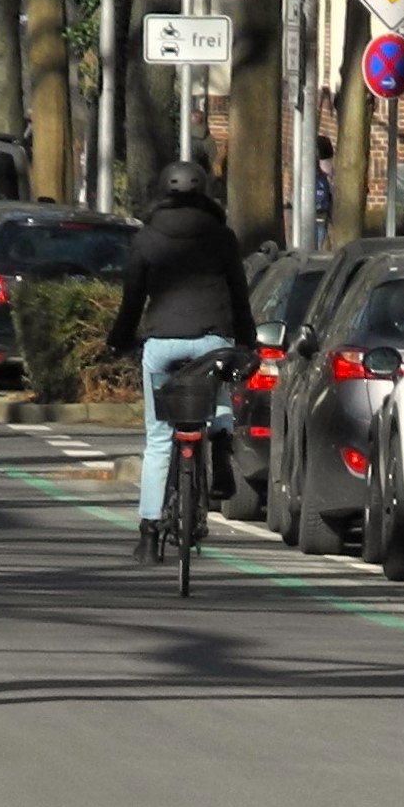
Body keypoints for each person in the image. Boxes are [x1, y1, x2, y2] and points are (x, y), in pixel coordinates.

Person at [106, 160, 257, 563]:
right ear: (205, 192)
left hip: (161, 344)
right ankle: (221, 438)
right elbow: (239, 295)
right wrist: (248, 344)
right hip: (211, 338)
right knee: (219, 372)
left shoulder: (147, 238)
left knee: (158, 440)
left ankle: (149, 536)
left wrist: (118, 341)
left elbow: (132, 298)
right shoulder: (222, 237)